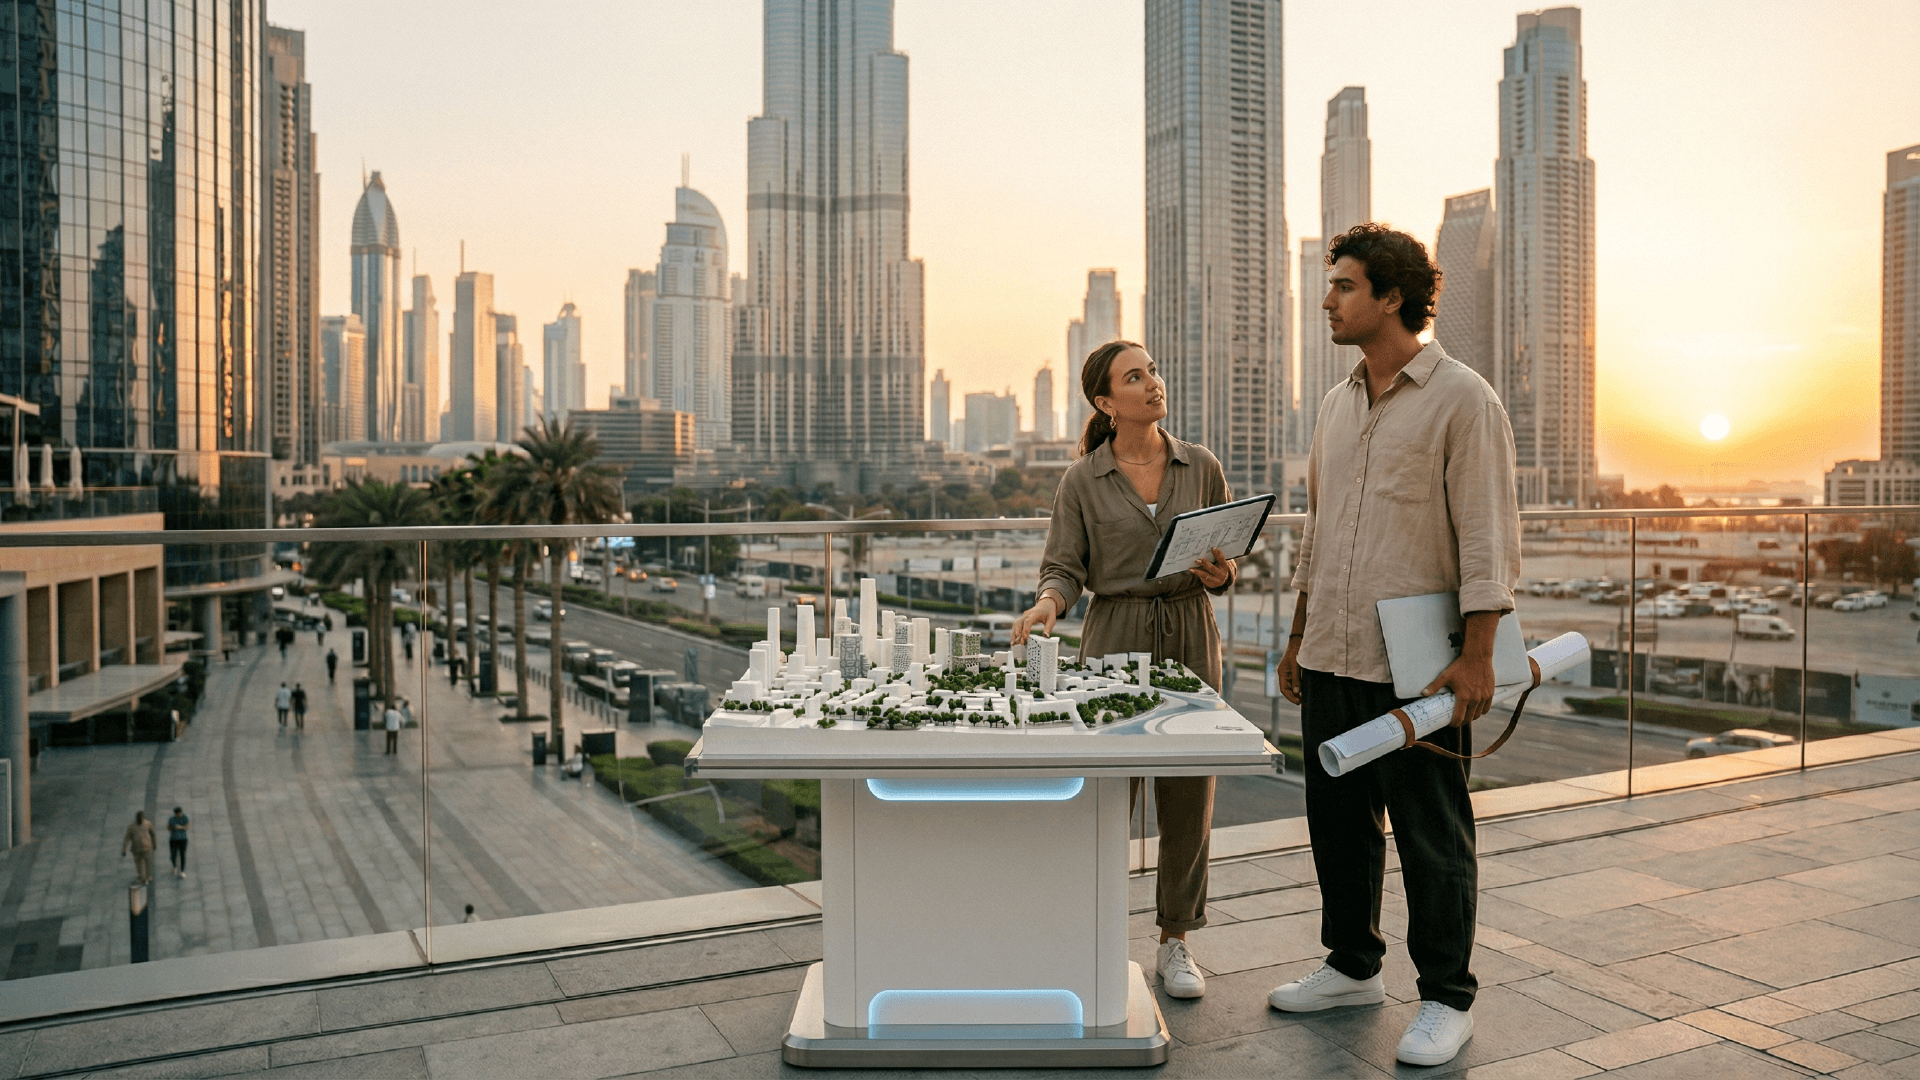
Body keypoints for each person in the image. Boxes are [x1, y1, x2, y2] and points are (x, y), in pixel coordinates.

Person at [1268, 224, 1519, 1069]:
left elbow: (1487, 540)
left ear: (1391, 297)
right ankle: (1351, 965)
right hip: (1335, 652)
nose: (1328, 299)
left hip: (1421, 666)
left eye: (1342, 286)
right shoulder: (1337, 404)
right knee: (1337, 825)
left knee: (1430, 835)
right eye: (1331, 284)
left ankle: (1448, 998)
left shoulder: (1462, 398)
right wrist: (1299, 636)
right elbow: (1320, 534)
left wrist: (1478, 657)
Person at [1012, 340, 1237, 1001]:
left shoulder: (1201, 467)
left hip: (1191, 631)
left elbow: (1222, 559)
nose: (1152, 383)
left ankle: (1176, 942)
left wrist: (1222, 574)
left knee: (1190, 796)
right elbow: (1064, 568)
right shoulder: (1083, 479)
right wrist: (1048, 605)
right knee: (1110, 797)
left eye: (1154, 371)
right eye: (1134, 377)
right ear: (1107, 402)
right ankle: (1093, 933)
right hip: (1115, 635)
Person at [122, 811, 157, 885]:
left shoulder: (148, 824)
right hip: (136, 849)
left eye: (141, 818)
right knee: (139, 864)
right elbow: (126, 839)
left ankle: (148, 876)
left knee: (148, 863)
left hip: (147, 847)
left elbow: (153, 834)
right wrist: (124, 849)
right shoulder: (131, 826)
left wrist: (154, 844)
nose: (140, 820)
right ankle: (142, 877)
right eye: (138, 818)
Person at [167, 806, 190, 877]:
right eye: (178, 813)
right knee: (173, 855)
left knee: (182, 855)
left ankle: (182, 871)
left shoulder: (185, 818)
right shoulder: (172, 819)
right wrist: (173, 827)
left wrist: (179, 827)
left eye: (180, 813)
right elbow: (168, 828)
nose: (180, 814)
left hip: (183, 839)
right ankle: (174, 866)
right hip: (173, 839)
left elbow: (187, 827)